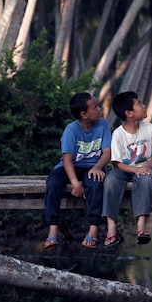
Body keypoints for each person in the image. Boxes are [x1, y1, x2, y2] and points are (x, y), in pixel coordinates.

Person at [44, 92, 111, 250]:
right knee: (53, 183)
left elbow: (108, 152)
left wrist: (96, 167)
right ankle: (53, 227)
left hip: (93, 165)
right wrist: (75, 184)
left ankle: (94, 227)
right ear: (84, 115)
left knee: (95, 184)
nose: (99, 109)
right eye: (95, 107)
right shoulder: (71, 130)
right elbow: (67, 159)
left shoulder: (103, 124)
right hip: (71, 166)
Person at [102, 91, 152, 247]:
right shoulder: (118, 134)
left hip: (143, 169)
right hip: (122, 170)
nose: (143, 106)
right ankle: (111, 226)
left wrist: (146, 167)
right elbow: (116, 163)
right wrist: (135, 170)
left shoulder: (149, 128)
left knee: (146, 180)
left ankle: (141, 224)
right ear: (129, 113)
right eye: (139, 104)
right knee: (110, 180)